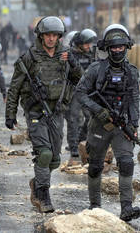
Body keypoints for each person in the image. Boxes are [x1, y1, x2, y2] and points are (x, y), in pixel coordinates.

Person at [5, 16, 82, 213]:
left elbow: (80, 79)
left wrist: (73, 63)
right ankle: (43, 194)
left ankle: (37, 182)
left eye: (55, 35)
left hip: (56, 112)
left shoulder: (65, 56)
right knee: (44, 153)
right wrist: (10, 114)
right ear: (41, 36)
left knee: (54, 159)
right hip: (36, 112)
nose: (51, 39)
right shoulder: (29, 58)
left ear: (59, 37)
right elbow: (15, 87)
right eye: (48, 35)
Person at [76, 24, 140, 222]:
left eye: (121, 47)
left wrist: (134, 125)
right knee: (95, 166)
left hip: (122, 126)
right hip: (99, 125)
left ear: (126, 47)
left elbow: (134, 98)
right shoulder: (96, 69)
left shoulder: (131, 71)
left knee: (126, 163)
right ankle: (95, 207)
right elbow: (80, 93)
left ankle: (126, 208)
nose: (117, 51)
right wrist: (99, 111)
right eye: (113, 47)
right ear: (107, 48)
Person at [64, 29, 97, 157]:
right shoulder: (70, 55)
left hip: (87, 91)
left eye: (90, 43)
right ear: (79, 44)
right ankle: (73, 146)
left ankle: (81, 140)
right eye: (86, 44)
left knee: (90, 118)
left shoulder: (91, 54)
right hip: (73, 91)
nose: (89, 46)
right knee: (73, 119)